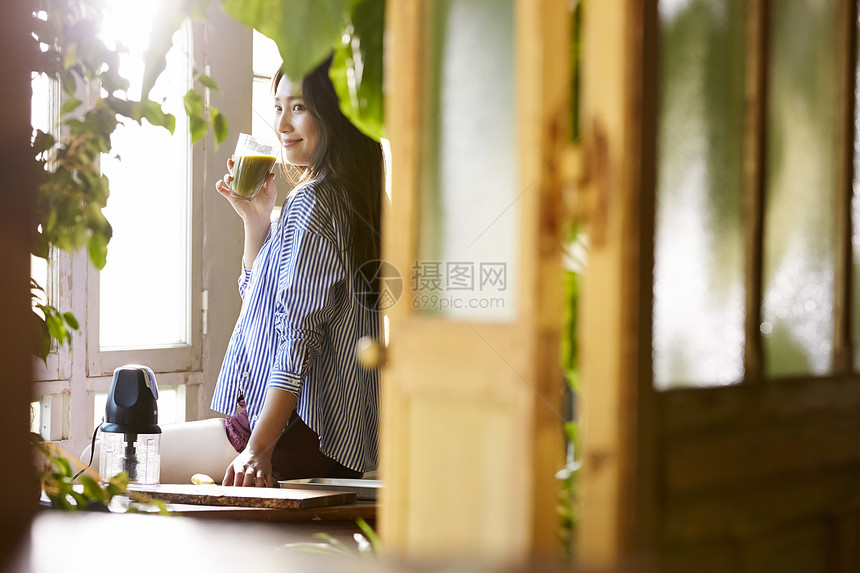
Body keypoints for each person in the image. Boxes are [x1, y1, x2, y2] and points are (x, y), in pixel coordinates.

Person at [82, 57, 383, 487]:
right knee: (113, 456)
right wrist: (256, 221)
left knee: (96, 458)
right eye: (278, 107)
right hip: (331, 440)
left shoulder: (311, 202)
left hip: (286, 433)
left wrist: (256, 450)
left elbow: (297, 336)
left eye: (299, 107)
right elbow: (266, 306)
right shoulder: (352, 197)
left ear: (335, 113)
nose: (282, 124)